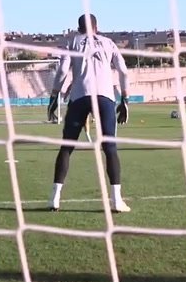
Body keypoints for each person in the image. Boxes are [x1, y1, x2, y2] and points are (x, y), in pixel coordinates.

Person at [48, 13, 131, 213]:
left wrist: (54, 96)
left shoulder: (72, 42)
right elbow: (123, 71)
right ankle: (116, 201)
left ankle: (55, 198)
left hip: (80, 95)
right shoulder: (108, 42)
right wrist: (125, 99)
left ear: (78, 28)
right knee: (110, 147)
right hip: (105, 97)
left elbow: (62, 71)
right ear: (97, 26)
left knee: (67, 147)